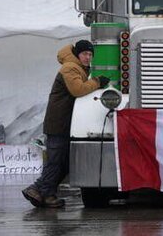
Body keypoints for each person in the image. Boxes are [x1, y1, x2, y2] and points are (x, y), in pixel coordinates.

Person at [22, 40, 110, 208]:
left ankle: (45, 193)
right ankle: (37, 189)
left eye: (90, 55)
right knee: (56, 161)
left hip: (64, 122)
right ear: (77, 54)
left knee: (64, 161)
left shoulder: (78, 68)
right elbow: (77, 89)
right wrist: (97, 82)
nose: (88, 58)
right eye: (85, 54)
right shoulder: (70, 67)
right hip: (58, 122)